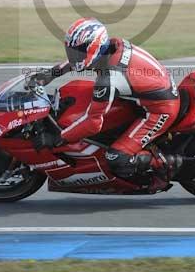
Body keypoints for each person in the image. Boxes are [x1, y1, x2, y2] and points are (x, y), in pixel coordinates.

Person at [34, 18, 181, 191]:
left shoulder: (108, 79)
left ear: (94, 48)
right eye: (71, 50)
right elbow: (79, 62)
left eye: (78, 51)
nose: (73, 55)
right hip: (147, 92)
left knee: (116, 157)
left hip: (159, 109)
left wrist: (59, 138)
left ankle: (163, 166)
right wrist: (51, 74)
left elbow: (92, 124)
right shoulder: (111, 45)